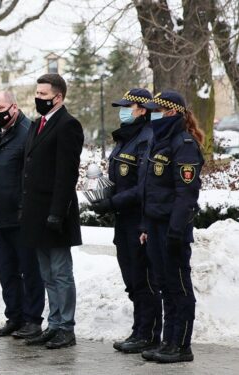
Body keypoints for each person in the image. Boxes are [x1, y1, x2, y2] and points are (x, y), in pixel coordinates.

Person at [89, 89, 161, 354]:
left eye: (126, 106)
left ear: (142, 109)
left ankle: (148, 333)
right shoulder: (125, 138)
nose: (122, 110)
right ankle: (139, 329)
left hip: (139, 221)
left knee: (143, 280)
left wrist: (112, 202)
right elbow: (120, 180)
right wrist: (100, 195)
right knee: (131, 280)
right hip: (123, 221)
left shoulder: (146, 138)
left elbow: (142, 187)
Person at [138, 91, 204, 364]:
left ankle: (181, 345)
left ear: (172, 113)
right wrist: (145, 225)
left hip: (172, 228)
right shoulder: (159, 140)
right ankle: (168, 341)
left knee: (179, 288)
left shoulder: (184, 144)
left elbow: (186, 194)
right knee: (165, 285)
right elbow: (150, 189)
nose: (152, 114)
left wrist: (176, 231)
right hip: (155, 226)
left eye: (156, 110)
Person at [20, 74, 83, 349]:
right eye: (37, 92)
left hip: (55, 213)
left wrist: (57, 212)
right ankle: (54, 322)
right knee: (46, 273)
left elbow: (66, 174)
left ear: (58, 97)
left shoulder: (68, 125)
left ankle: (66, 327)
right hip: (36, 213)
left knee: (60, 272)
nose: (38, 98)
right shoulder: (37, 125)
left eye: (43, 94)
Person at [0, 91, 45, 339]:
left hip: (22, 215)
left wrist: (25, 208)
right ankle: (14, 317)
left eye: (1, 107)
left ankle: (32, 320)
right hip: (1, 216)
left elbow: (31, 175)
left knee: (29, 269)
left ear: (14, 107)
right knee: (7, 270)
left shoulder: (29, 132)